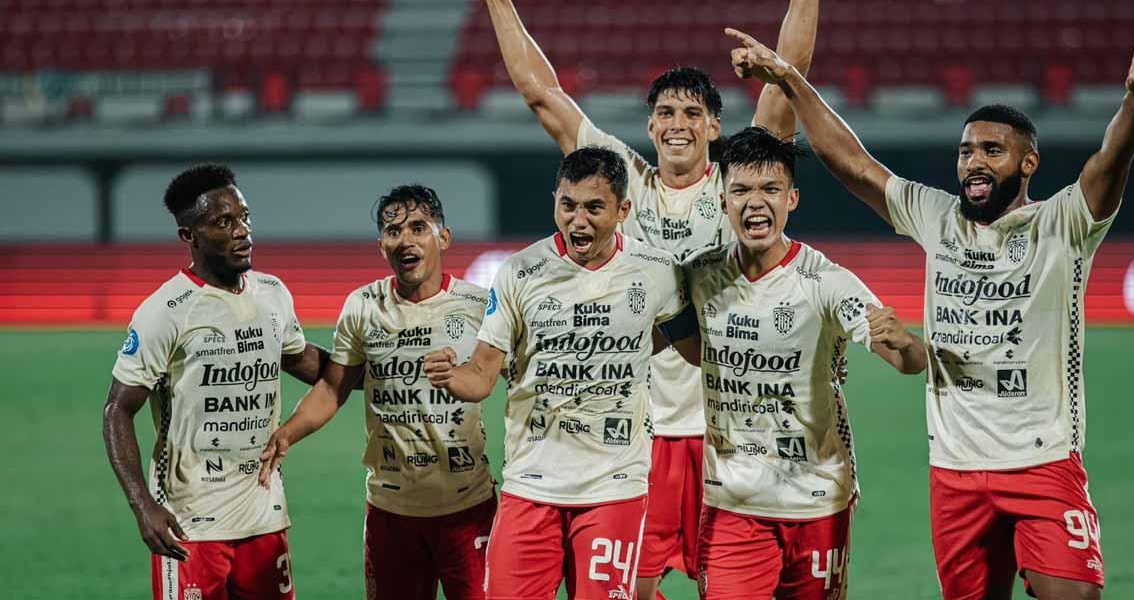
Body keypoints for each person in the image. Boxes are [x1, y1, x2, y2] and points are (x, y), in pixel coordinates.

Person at [725, 28, 1134, 599]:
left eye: (992, 150)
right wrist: (788, 79)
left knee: (1076, 594)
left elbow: (1111, 161)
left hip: (1043, 463)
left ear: (1028, 161)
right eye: (965, 151)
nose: (974, 162)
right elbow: (852, 164)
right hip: (955, 472)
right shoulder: (938, 218)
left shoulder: (1063, 223)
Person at [466, 0, 827, 595]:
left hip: (733, 425)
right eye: (665, 111)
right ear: (651, 124)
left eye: (693, 111)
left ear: (716, 127)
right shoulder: (623, 180)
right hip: (645, 436)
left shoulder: (737, 184)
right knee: (631, 588)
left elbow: (786, 88)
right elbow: (543, 94)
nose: (678, 122)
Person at [424, 147, 702, 600]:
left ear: (622, 210)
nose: (578, 220)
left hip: (614, 484)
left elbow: (695, 349)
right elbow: (480, 377)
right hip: (531, 481)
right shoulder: (520, 272)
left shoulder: (655, 272)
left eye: (594, 207)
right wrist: (450, 377)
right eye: (568, 205)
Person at [684, 126, 927, 599]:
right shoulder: (698, 275)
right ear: (722, 200)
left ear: (791, 198)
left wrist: (904, 341)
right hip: (732, 502)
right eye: (742, 190)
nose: (756, 202)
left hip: (816, 499)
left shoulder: (826, 281)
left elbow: (908, 362)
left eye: (770, 189)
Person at [257, 185, 497, 600]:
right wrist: (286, 433)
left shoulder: (480, 305)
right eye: (393, 231)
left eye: (419, 227)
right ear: (381, 245)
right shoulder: (363, 306)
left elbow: (518, 378)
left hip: (469, 509)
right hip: (391, 512)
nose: (406, 239)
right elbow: (334, 387)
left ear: (443, 237)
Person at [102, 163, 329, 600]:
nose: (243, 230)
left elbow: (308, 363)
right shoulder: (165, 310)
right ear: (190, 236)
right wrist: (142, 504)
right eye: (224, 222)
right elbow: (117, 408)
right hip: (190, 521)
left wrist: (384, 363)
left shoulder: (272, 293)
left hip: (264, 514)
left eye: (244, 217)